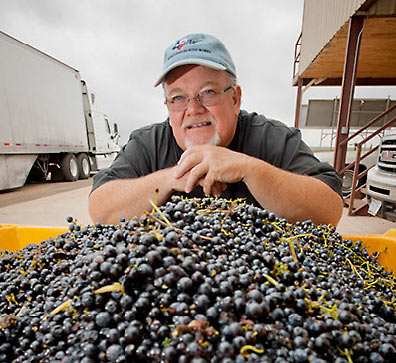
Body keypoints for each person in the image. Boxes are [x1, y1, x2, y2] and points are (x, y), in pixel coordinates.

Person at [89, 33, 343, 226]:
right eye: (177, 97)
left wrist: (249, 169)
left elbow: (330, 209)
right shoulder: (147, 143)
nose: (193, 108)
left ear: (235, 99)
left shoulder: (272, 137)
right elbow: (101, 208)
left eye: (207, 92)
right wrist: (171, 178)